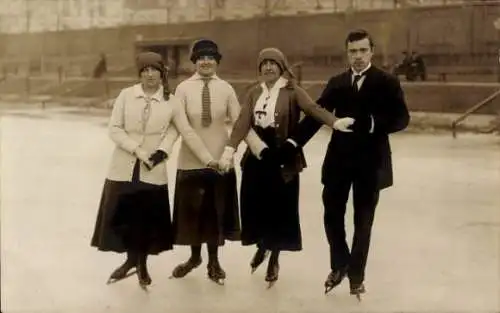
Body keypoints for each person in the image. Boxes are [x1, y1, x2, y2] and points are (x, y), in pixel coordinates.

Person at [283, 29, 410, 299]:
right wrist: (293, 144)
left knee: (363, 222)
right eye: (353, 51)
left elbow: (401, 118)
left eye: (363, 50)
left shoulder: (387, 82)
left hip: (371, 163)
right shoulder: (338, 82)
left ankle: (356, 277)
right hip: (338, 161)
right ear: (347, 53)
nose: (358, 56)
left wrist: (372, 123)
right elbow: (317, 114)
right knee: (331, 216)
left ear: (372, 52)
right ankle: (339, 265)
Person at [218, 47, 336, 288]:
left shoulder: (293, 91)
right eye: (264, 64)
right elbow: (242, 123)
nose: (268, 67)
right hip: (257, 156)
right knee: (255, 205)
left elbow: (313, 111)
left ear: (282, 66)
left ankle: (274, 257)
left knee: (280, 209)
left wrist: (335, 122)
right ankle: (262, 246)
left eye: (273, 63)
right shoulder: (253, 93)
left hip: (282, 157)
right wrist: (230, 150)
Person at [169, 38, 266, 285]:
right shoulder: (182, 89)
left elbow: (239, 122)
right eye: (201, 58)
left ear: (217, 62)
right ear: (194, 62)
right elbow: (179, 127)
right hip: (191, 161)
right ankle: (194, 258)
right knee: (193, 214)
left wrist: (258, 149)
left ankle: (213, 261)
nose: (206, 62)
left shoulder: (226, 89)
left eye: (211, 58)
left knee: (214, 213)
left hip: (221, 161)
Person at [90, 52, 179, 288]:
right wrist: (138, 150)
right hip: (125, 166)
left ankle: (142, 263)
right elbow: (114, 129)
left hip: (153, 167)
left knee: (146, 218)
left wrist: (162, 151)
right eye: (145, 70)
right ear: (139, 74)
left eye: (154, 70)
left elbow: (174, 130)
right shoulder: (126, 95)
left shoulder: (172, 100)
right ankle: (131, 261)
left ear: (162, 73)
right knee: (126, 217)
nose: (149, 75)